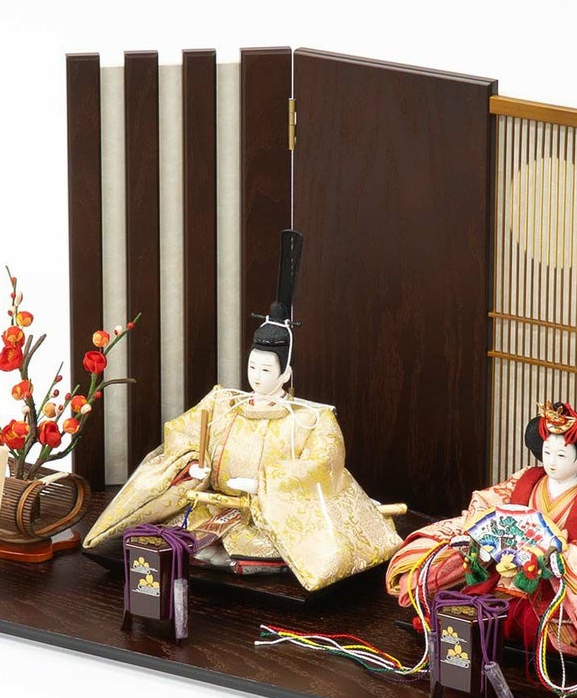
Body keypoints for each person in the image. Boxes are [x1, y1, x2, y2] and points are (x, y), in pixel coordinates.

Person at [84, 231, 401, 592]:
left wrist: (265, 484)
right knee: (178, 541)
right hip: (211, 507)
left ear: (286, 373)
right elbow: (183, 435)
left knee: (265, 551)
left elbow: (324, 463)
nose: (256, 376)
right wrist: (194, 465)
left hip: (267, 518)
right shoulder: (223, 402)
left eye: (266, 369)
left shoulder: (311, 419)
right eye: (252, 367)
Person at [385, 401, 577, 660]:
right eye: (547, 452)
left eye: (561, 455)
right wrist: (487, 536)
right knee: (447, 580)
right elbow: (489, 500)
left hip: (563, 579)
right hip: (507, 572)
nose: (551, 461)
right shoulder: (527, 478)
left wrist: (564, 555)